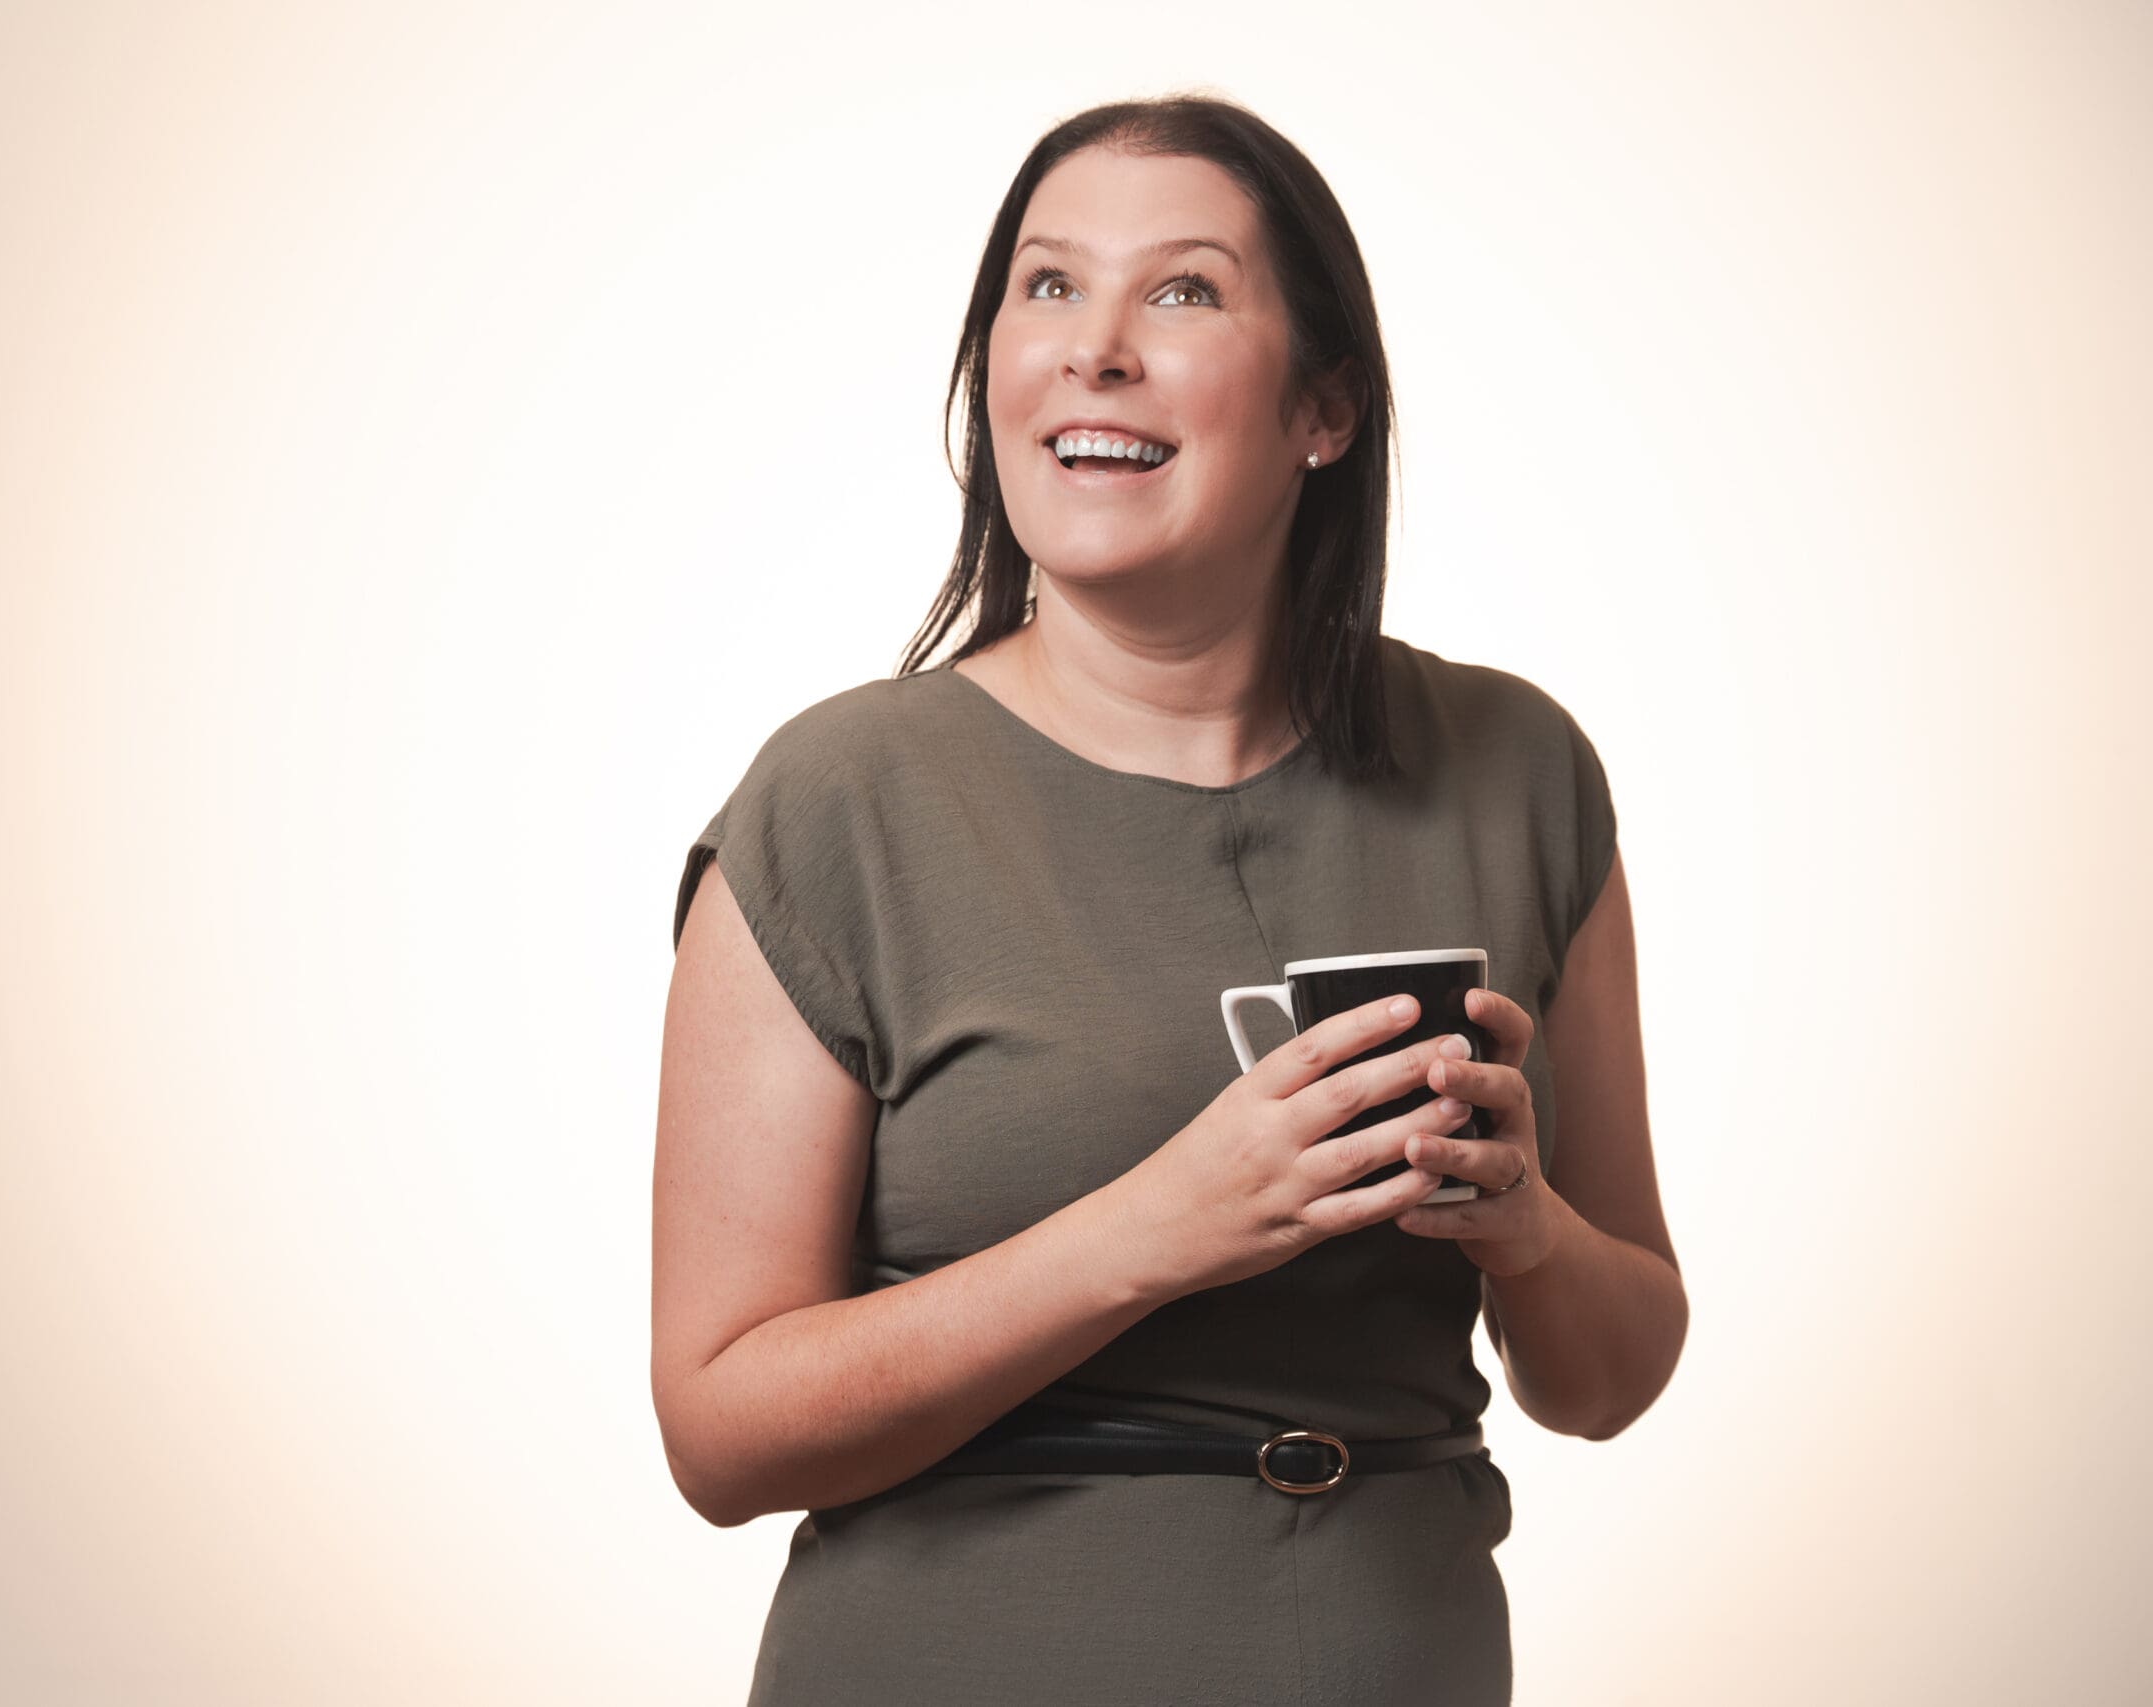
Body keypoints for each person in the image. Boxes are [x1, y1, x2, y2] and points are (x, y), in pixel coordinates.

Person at [651, 93, 1687, 1706]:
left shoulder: (1518, 773)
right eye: (1047, 287)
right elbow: (719, 1435)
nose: (1094, 349)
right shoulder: (838, 804)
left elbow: (1615, 1374)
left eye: (1183, 292)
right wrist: (1156, 1233)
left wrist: (1527, 1234)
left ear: (1325, 409)